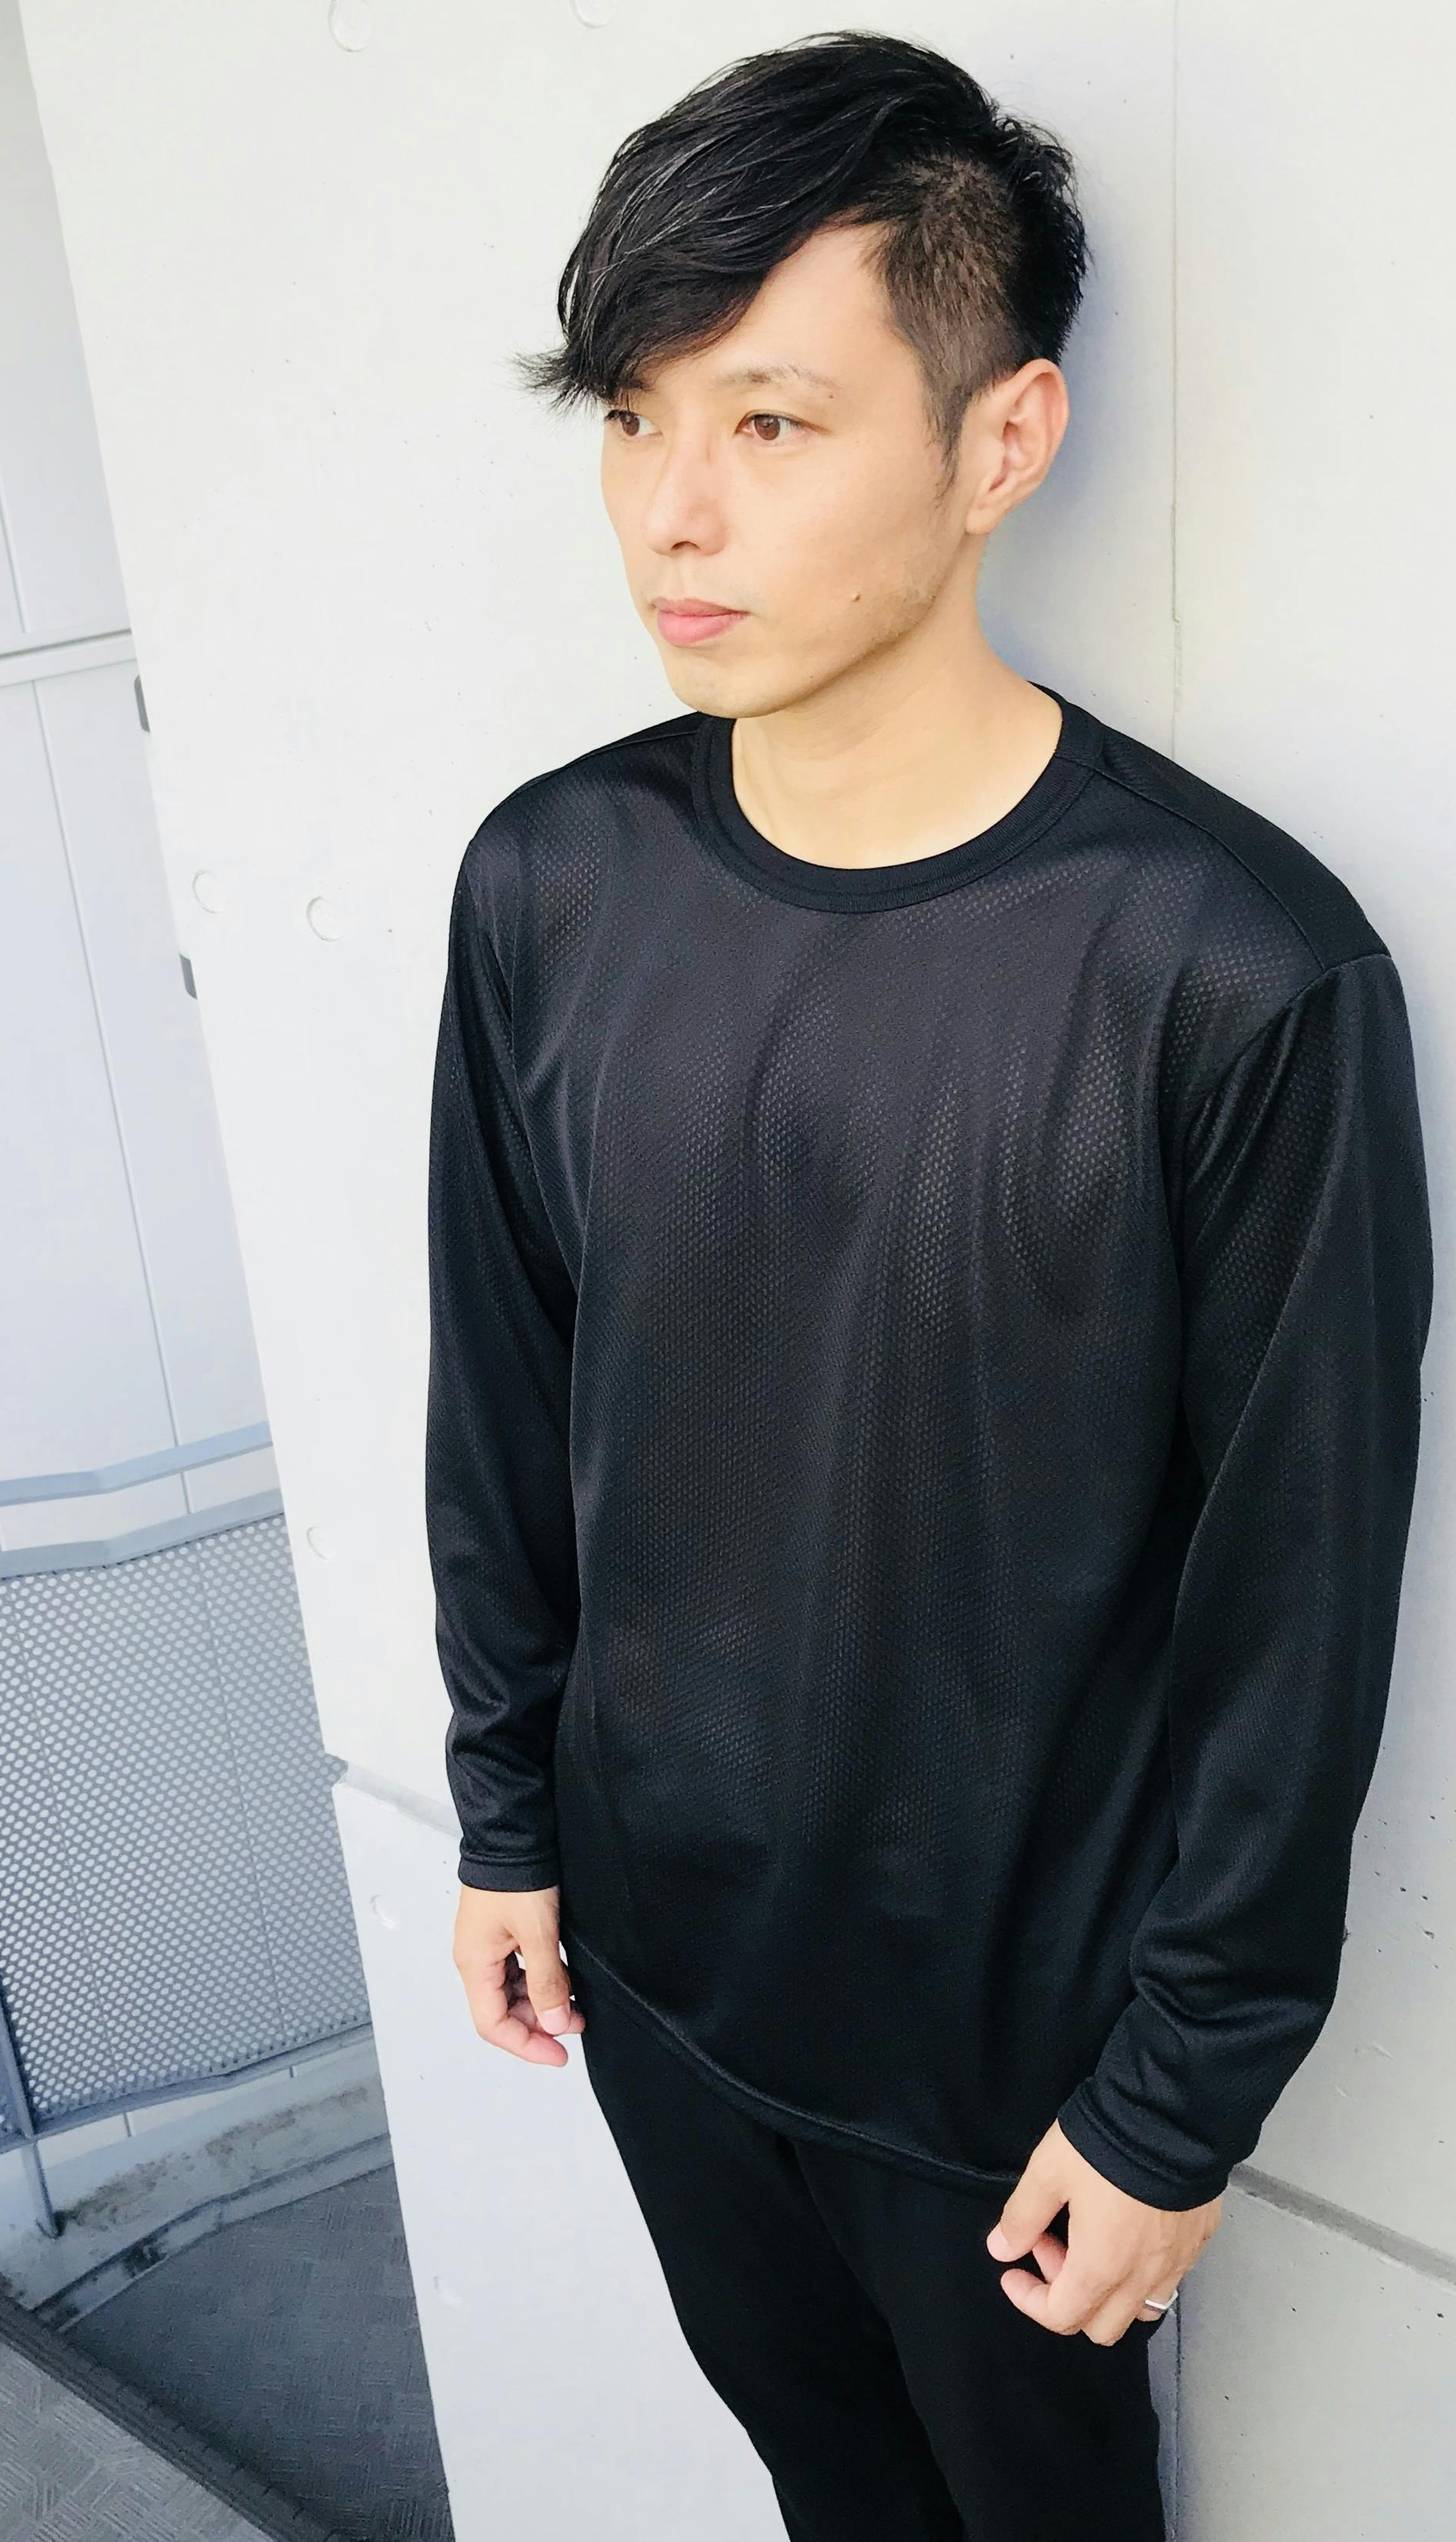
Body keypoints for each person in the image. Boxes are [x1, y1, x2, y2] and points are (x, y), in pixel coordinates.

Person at [420, 27, 1434, 2542]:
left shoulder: (1229, 975)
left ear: (1000, 444)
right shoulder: (548, 885)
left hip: (1009, 2080)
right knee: (825, 2500)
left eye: (768, 423)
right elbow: (504, 1392)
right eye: (634, 416)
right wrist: (506, 1814)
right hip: (656, 1983)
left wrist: (1178, 2097)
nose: (670, 509)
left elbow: (1293, 1598)